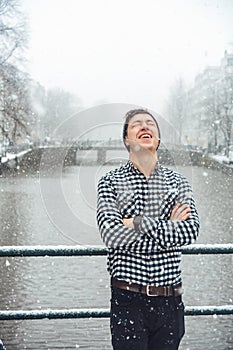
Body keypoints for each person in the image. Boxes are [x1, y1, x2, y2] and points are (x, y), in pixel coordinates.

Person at [97, 108, 200, 350]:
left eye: (150, 123)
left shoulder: (178, 182)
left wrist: (137, 222)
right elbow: (111, 235)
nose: (145, 126)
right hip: (128, 300)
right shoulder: (110, 182)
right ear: (126, 139)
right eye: (137, 124)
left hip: (170, 300)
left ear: (158, 138)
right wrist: (168, 228)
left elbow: (190, 231)